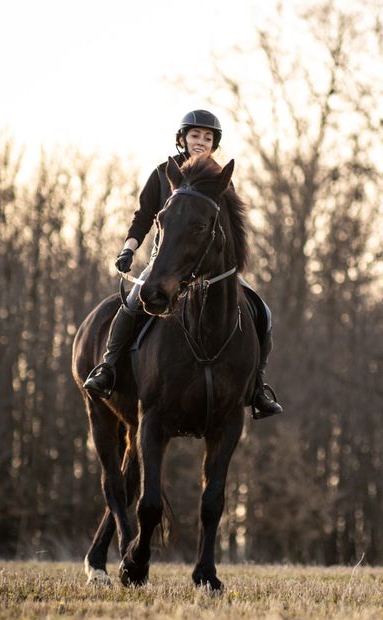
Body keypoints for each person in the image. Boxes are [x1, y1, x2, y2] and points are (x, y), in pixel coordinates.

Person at [83, 109, 282, 418]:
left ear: (214, 144)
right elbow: (143, 216)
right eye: (195, 135)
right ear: (182, 139)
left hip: (210, 269)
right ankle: (108, 368)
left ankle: (257, 387)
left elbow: (232, 230)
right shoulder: (162, 173)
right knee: (131, 305)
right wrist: (128, 249)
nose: (201, 141)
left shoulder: (221, 181)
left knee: (262, 311)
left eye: (207, 137)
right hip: (166, 265)